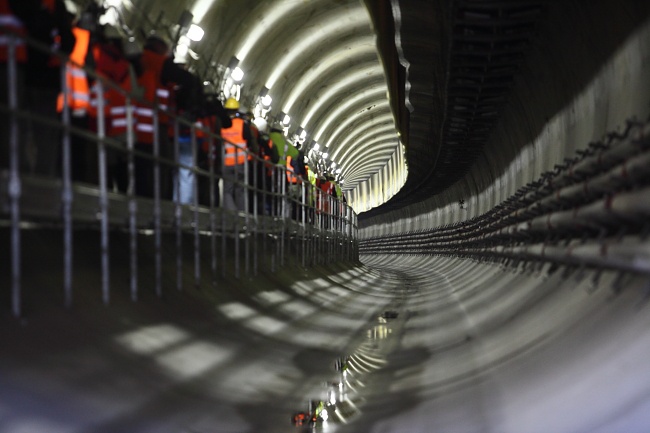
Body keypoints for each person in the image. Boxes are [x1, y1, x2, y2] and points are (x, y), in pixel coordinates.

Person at [7, 0, 75, 176]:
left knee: (16, 125)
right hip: (46, 78)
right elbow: (68, 40)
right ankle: (43, 179)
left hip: (20, 71)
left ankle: (17, 171)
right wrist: (54, 57)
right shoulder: (54, 5)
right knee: (45, 133)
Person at [133, 34, 201, 198]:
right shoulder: (158, 63)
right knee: (162, 166)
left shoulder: (136, 60)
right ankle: (160, 206)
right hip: (157, 124)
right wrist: (183, 104)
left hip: (133, 123)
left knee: (140, 167)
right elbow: (189, 80)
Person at [220, 97, 257, 212]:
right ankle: (242, 215)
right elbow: (250, 141)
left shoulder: (222, 123)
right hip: (241, 162)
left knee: (227, 190)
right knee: (241, 190)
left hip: (226, 162)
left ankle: (231, 213)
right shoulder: (242, 124)